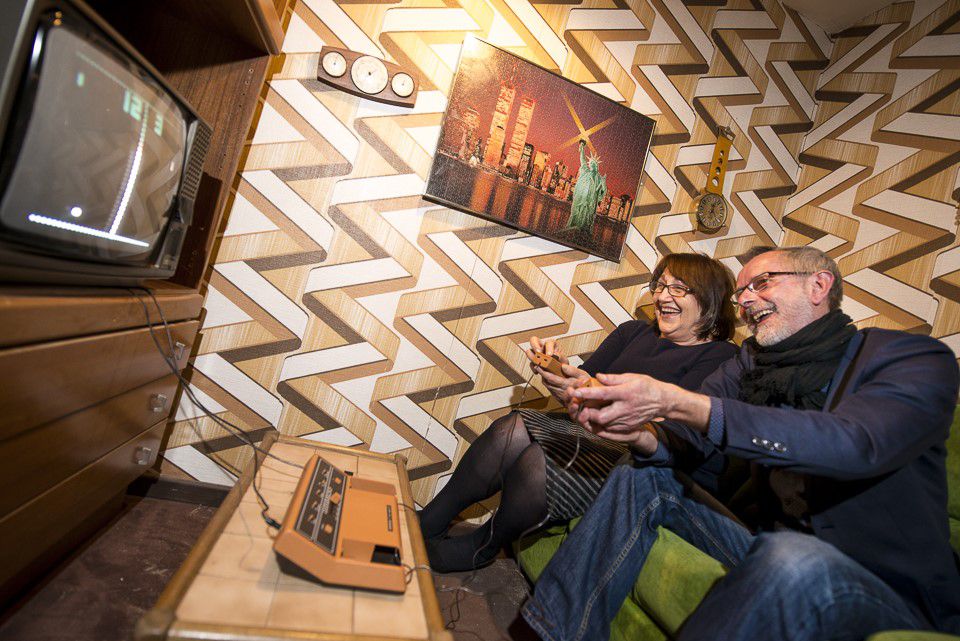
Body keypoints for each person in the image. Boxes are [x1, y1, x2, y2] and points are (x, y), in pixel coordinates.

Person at [521, 246, 960, 641]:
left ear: (819, 285)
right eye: (742, 291)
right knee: (644, 476)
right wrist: (635, 430)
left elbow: (857, 444)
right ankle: (558, 632)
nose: (746, 299)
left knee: (794, 558)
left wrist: (676, 400)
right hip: (765, 541)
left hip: (884, 587)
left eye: (762, 283)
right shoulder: (750, 361)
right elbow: (687, 441)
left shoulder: (908, 358)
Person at [419, 253, 739, 572]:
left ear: (709, 299)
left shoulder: (723, 357)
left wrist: (596, 391)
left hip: (646, 458)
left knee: (536, 460)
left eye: (678, 288)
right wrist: (560, 377)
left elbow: (681, 431)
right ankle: (430, 520)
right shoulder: (632, 333)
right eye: (661, 285)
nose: (662, 295)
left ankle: (483, 546)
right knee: (513, 427)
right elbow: (579, 392)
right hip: (593, 434)